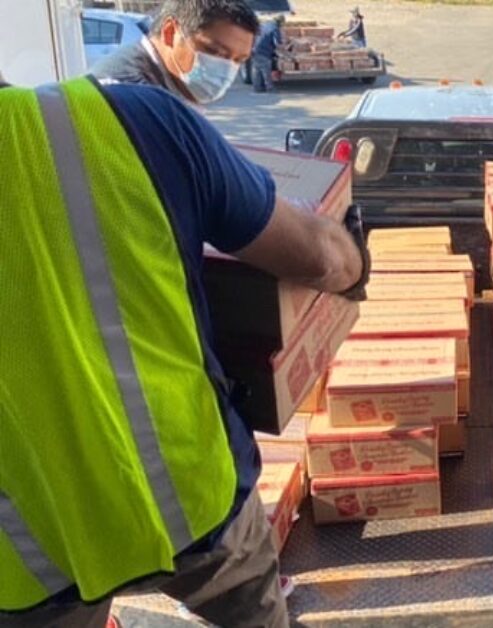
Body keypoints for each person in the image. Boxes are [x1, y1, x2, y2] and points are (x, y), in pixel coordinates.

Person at [0, 75, 368, 627]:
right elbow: (318, 258)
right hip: (190, 498)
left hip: (31, 553)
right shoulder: (129, 118)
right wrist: (354, 259)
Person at [91, 0, 257, 105]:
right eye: (215, 52)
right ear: (170, 33)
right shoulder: (130, 94)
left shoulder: (171, 88)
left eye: (238, 60)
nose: (226, 71)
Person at [252, 15, 284, 94]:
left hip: (255, 49)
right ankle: (270, 88)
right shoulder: (275, 29)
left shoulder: (263, 25)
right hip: (265, 51)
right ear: (280, 23)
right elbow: (277, 42)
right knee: (266, 70)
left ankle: (257, 88)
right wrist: (284, 48)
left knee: (257, 70)